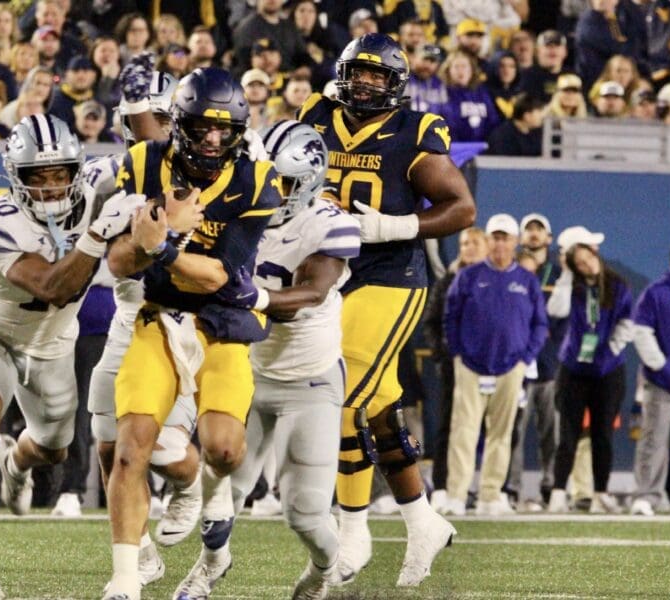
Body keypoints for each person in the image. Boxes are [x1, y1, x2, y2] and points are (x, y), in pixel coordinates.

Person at [296, 33, 475, 586]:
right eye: (360, 72)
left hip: (392, 276)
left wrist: (394, 226)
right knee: (378, 408)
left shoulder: (414, 131)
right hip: (333, 272)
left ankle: (353, 531)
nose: (367, 83)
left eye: (379, 75)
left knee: (344, 392)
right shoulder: (316, 114)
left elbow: (462, 208)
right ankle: (422, 521)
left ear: (396, 83)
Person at [102, 67, 282, 600]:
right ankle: (126, 579)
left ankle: (214, 494)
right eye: (202, 128)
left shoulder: (256, 179)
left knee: (225, 450)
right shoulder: (141, 162)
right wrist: (152, 247)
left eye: (223, 131)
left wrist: (161, 245)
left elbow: (220, 276)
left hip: (221, 324)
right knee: (131, 449)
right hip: (156, 316)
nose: (211, 140)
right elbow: (116, 261)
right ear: (179, 123)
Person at [0, 114, 143, 600]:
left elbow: (151, 152)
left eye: (61, 173)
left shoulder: (98, 184)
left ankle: (15, 462)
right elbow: (53, 287)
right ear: (14, 178)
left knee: (55, 448)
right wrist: (97, 236)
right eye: (37, 178)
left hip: (54, 347)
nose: (51, 187)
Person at [194, 121, 362, 599]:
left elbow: (312, 291)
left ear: (309, 181)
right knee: (221, 484)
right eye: (266, 176)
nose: (271, 190)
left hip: (309, 380)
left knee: (304, 511)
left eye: (284, 182)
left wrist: (255, 298)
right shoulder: (235, 209)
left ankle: (325, 569)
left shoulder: (329, 222)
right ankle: (207, 567)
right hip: (249, 370)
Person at [82, 71, 203, 588]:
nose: (137, 129)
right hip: (129, 312)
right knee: (109, 443)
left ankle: (193, 484)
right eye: (130, 120)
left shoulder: (206, 166)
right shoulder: (111, 173)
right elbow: (106, 257)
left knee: (161, 449)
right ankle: (140, 555)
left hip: (183, 315)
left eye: (145, 117)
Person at [442, 214, 548, 516]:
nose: (500, 243)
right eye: (495, 237)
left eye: (505, 238)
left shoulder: (527, 280)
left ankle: (490, 494)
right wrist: (459, 353)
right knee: (463, 432)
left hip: (510, 367)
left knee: (501, 435)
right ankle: (456, 495)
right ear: (488, 241)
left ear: (515, 243)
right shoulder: (469, 276)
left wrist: (525, 358)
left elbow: (540, 324)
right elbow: (450, 317)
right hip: (471, 366)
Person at [546, 235, 635, 514]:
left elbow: (627, 322)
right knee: (568, 434)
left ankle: (600, 493)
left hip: (608, 371)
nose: (587, 266)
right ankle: (559, 493)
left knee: (603, 435)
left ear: (597, 256)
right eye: (580, 264)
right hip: (573, 370)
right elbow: (555, 309)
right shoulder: (572, 287)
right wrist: (566, 276)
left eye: (588, 259)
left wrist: (610, 349)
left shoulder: (618, 285)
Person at [420, 226, 488, 513]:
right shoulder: (448, 281)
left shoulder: (494, 279)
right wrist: (445, 355)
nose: (468, 248)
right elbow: (433, 323)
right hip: (455, 367)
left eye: (474, 243)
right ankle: (443, 485)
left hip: (492, 366)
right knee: (449, 424)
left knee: (492, 428)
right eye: (464, 243)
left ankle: (486, 489)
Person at [504, 213, 563, 508]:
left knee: (551, 434)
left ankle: (550, 488)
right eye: (529, 230)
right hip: (518, 366)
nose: (534, 234)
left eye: (540, 230)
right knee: (513, 432)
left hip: (551, 366)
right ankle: (511, 489)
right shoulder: (511, 270)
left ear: (549, 239)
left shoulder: (560, 273)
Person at [629, 235, 670, 516]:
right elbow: (640, 331)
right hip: (662, 382)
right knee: (654, 439)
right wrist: (662, 366)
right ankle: (646, 496)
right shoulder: (656, 292)